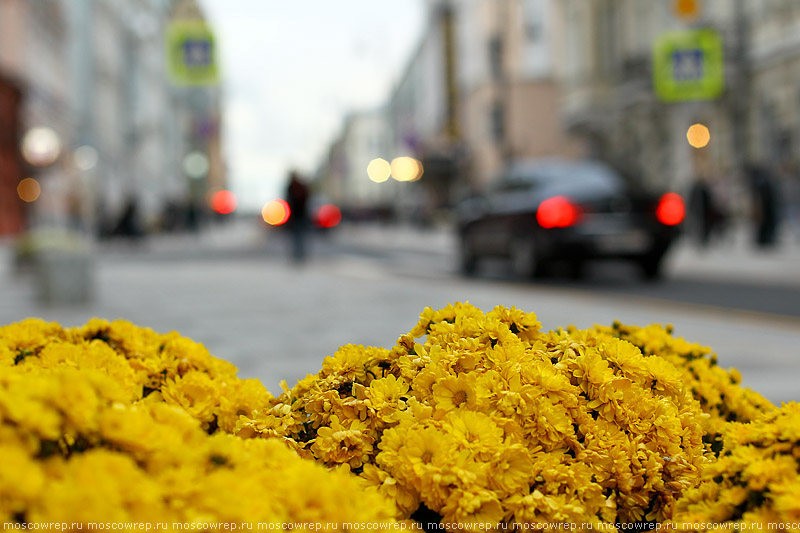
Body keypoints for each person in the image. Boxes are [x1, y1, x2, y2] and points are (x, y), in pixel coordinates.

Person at [285, 171, 310, 262]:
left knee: (299, 236)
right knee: (298, 236)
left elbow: (288, 201)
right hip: (298, 215)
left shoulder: (296, 187)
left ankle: (299, 254)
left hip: (298, 215)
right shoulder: (295, 187)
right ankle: (299, 254)